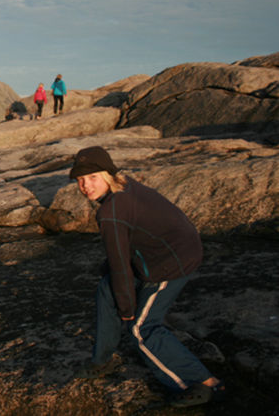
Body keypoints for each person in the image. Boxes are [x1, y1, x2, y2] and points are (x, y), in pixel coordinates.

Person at [69, 146, 225, 408]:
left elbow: (120, 266)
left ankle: (205, 383)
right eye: (80, 180)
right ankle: (102, 360)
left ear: (107, 175)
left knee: (142, 328)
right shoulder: (124, 186)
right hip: (165, 250)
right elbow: (120, 258)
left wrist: (128, 308)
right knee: (106, 288)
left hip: (171, 262)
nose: (85, 186)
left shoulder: (111, 213)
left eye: (92, 177)